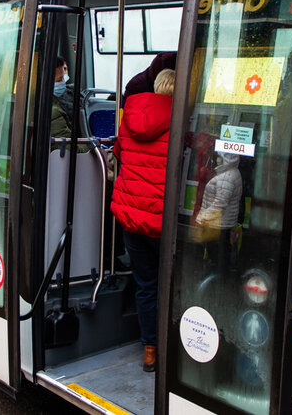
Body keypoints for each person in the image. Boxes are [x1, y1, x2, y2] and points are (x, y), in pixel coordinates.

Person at [110, 68, 174, 372]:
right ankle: (178, 349)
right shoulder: (180, 124)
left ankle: (150, 350)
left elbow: (119, 154)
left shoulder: (129, 118)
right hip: (162, 222)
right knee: (173, 284)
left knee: (145, 285)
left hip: (131, 218)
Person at [193, 151, 242, 273]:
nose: (217, 160)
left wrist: (202, 218)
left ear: (227, 159)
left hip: (218, 224)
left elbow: (220, 203)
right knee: (221, 256)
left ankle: (214, 282)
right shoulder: (232, 173)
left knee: (216, 256)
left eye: (220, 157)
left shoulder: (226, 177)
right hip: (223, 223)